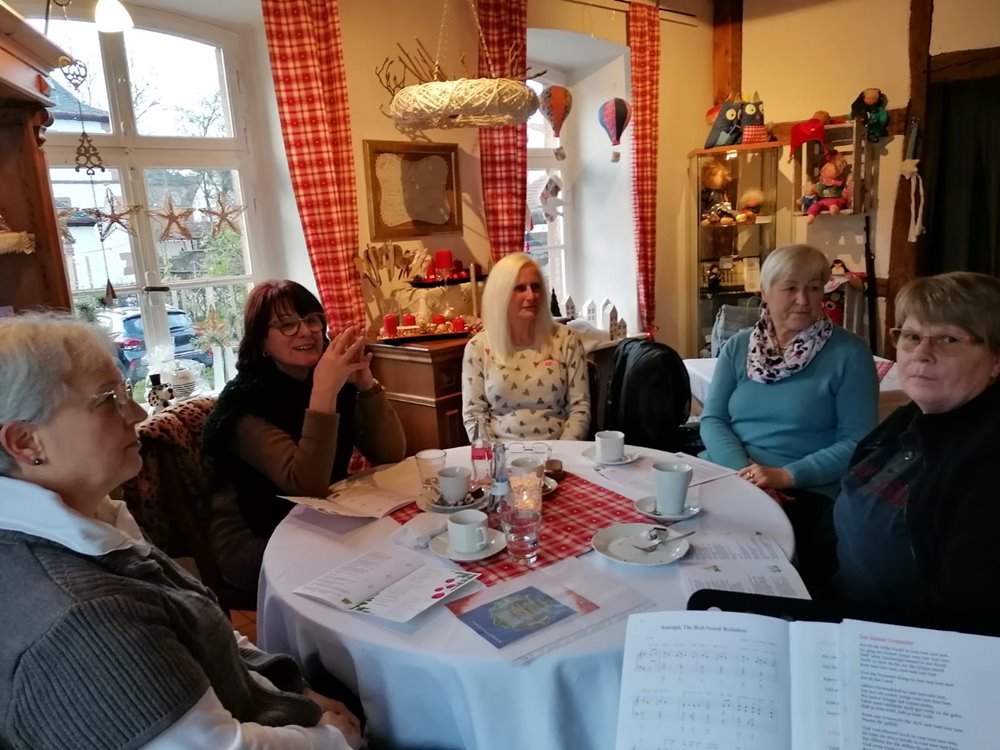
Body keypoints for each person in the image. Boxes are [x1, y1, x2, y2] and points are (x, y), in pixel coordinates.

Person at [0, 313, 361, 749]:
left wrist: (293, 688)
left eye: (126, 392)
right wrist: (332, 738)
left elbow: (203, 626)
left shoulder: (96, 521)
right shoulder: (82, 618)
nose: (136, 412)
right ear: (26, 442)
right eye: (109, 399)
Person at [202, 280, 406, 594]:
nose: (306, 332)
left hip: (325, 510)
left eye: (312, 320)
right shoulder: (243, 403)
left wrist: (366, 385)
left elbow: (390, 453)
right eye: (287, 325)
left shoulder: (327, 378)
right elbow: (304, 485)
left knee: (403, 538)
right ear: (261, 340)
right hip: (255, 532)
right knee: (364, 565)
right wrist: (324, 392)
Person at [699, 244, 878, 589]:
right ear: (764, 291)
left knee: (756, 577)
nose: (803, 300)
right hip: (730, 472)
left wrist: (784, 476)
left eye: (814, 287)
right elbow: (713, 420)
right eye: (790, 288)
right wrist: (749, 477)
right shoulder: (739, 347)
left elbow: (858, 442)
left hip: (805, 490)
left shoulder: (850, 354)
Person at [834, 272, 1000, 620]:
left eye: (949, 339)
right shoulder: (909, 416)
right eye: (911, 336)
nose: (922, 354)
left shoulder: (987, 460)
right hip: (838, 601)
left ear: (995, 359)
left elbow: (967, 615)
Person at [462, 252, 590, 441]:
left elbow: (579, 409)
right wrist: (495, 456)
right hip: (500, 454)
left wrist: (562, 453)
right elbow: (474, 415)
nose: (531, 295)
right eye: (520, 288)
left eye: (535, 286)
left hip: (558, 453)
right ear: (501, 295)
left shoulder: (567, 340)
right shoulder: (477, 348)